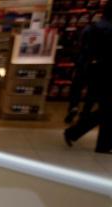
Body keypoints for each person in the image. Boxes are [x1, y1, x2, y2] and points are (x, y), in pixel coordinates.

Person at [64, 2, 112, 154]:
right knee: (107, 109)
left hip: (92, 71)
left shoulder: (93, 27)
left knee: (104, 108)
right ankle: (80, 134)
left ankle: (78, 132)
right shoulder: (109, 29)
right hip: (106, 73)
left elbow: (82, 49)